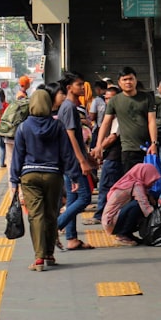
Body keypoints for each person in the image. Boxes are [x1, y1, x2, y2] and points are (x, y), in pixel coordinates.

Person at [10, 89, 81, 271]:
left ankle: (39, 258)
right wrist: (74, 176)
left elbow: (17, 156)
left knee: (36, 216)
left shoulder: (23, 127)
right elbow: (66, 153)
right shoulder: (58, 126)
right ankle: (49, 254)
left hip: (30, 176)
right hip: (53, 176)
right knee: (51, 214)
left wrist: (13, 181)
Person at [55, 72, 95, 250]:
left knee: (72, 199)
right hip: (73, 161)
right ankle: (55, 226)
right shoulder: (70, 107)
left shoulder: (66, 106)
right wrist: (82, 160)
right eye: (79, 85)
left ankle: (71, 238)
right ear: (69, 88)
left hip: (68, 160)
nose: (82, 87)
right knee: (84, 198)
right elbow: (71, 136)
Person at [93, 66, 158, 174]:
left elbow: (152, 121)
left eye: (131, 79)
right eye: (125, 79)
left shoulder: (147, 98)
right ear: (119, 82)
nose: (128, 82)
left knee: (149, 184)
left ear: (136, 80)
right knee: (131, 183)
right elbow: (105, 123)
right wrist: (99, 145)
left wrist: (154, 143)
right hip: (128, 149)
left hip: (147, 148)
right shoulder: (114, 100)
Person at [86, 85, 123, 225]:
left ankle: (100, 214)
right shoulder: (110, 116)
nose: (108, 102)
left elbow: (112, 137)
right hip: (110, 155)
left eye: (111, 98)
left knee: (105, 186)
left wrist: (99, 148)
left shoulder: (119, 116)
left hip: (115, 156)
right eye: (106, 99)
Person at [102, 163, 161, 245]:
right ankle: (122, 235)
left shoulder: (130, 182)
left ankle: (127, 234)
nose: (153, 183)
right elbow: (144, 204)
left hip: (110, 220)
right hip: (111, 222)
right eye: (152, 179)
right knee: (137, 206)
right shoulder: (135, 185)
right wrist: (157, 217)